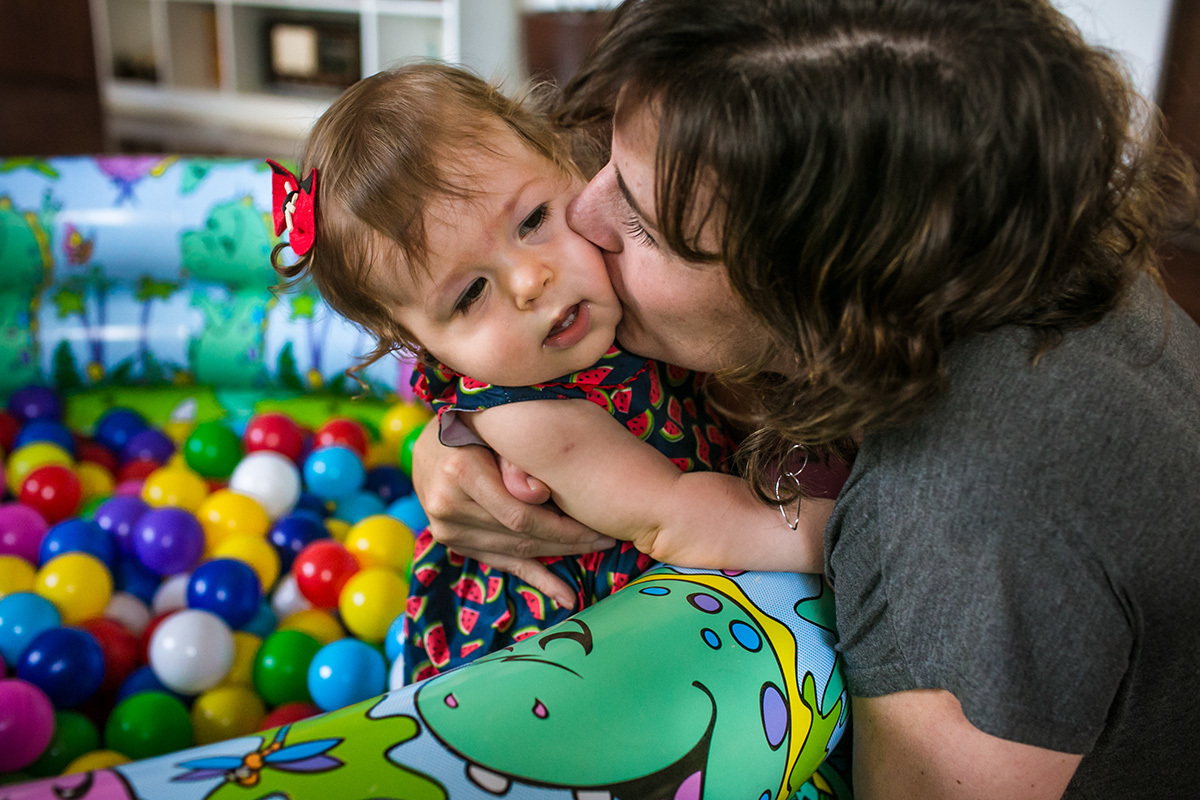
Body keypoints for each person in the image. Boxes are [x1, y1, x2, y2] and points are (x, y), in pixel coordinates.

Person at [411, 0, 1200, 797]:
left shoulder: (958, 511)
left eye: (645, 225)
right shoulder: (1008, 238)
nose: (586, 212)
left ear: (823, 292)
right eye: (607, 162)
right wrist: (457, 431)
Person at [268, 62, 839, 682]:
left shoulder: (601, 291)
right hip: (556, 660)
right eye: (468, 296)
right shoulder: (529, 419)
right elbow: (672, 516)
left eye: (533, 220)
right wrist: (841, 532)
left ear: (566, 163)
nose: (528, 281)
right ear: (418, 343)